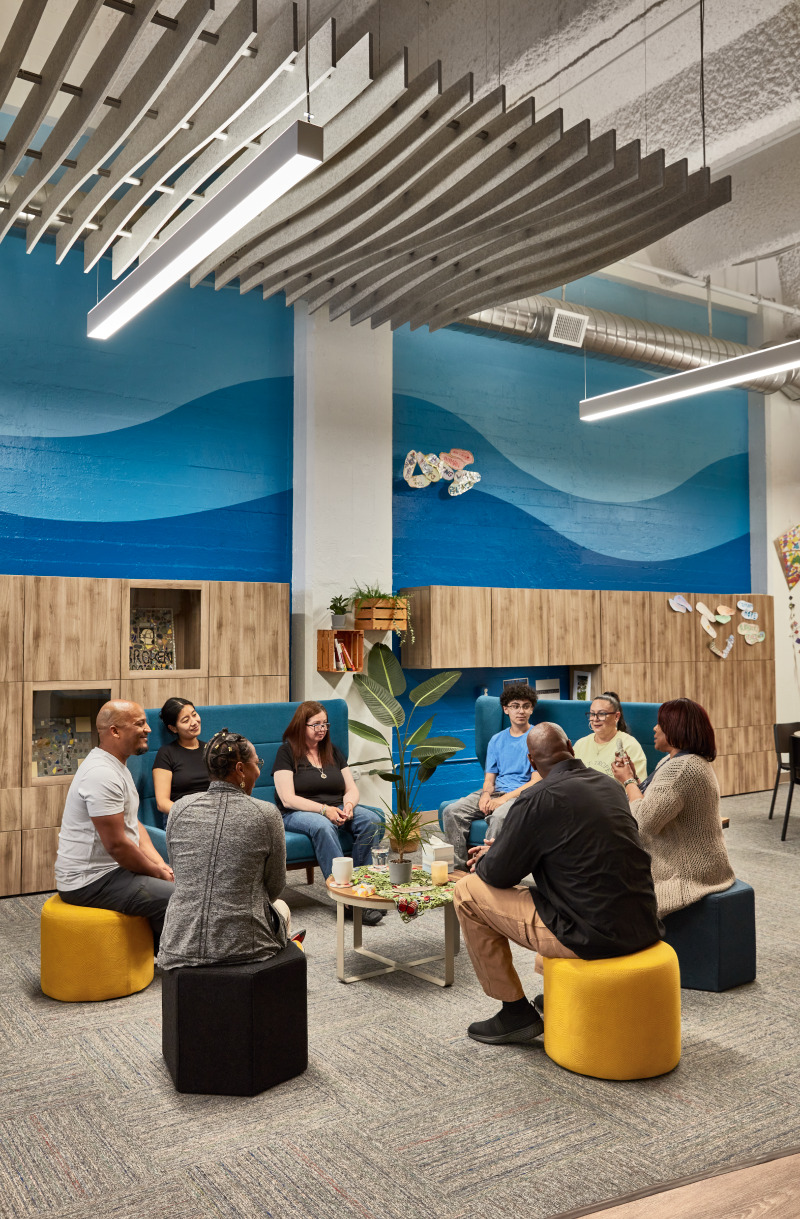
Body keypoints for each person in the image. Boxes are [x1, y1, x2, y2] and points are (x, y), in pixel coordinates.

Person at [454, 723, 661, 1046]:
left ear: (531, 762)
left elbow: (497, 876)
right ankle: (552, 995)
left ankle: (514, 1013)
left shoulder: (536, 799)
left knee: (466, 891)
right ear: (570, 746)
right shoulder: (608, 785)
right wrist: (509, 845)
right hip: (643, 921)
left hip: (590, 935)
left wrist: (495, 853)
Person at [157, 729, 293, 970]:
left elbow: (181, 873)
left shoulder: (179, 809)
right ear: (241, 769)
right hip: (245, 946)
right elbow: (275, 886)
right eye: (257, 763)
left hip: (179, 942)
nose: (259, 770)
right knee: (281, 907)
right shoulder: (266, 814)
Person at [55, 701, 174, 952]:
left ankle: (150, 954)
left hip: (113, 871)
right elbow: (117, 845)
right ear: (115, 731)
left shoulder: (118, 765)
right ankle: (181, 967)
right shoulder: (101, 774)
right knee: (177, 897)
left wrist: (158, 863)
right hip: (89, 882)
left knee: (179, 882)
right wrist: (155, 872)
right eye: (140, 723)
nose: (148, 729)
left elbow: (134, 823)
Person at [612, 697, 735, 917]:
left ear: (676, 729)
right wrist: (635, 778)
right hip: (701, 865)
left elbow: (642, 824)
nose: (655, 728)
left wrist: (628, 781)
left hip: (687, 875)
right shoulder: (674, 762)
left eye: (660, 723)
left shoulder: (680, 770)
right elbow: (655, 803)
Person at [272, 701, 386, 925]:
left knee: (372, 821)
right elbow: (288, 798)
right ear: (301, 725)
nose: (322, 729)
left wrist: (350, 804)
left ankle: (362, 888)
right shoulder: (286, 752)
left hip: (337, 806)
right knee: (322, 825)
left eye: (325, 724)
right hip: (297, 812)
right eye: (316, 724)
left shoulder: (333, 751)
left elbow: (351, 788)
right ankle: (347, 899)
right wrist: (325, 810)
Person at [442, 683, 540, 870]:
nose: (521, 711)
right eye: (515, 706)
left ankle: (488, 871)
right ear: (505, 709)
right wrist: (486, 795)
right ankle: (459, 871)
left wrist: (503, 800)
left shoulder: (537, 738)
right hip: (497, 792)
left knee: (498, 818)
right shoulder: (496, 740)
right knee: (452, 811)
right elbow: (489, 779)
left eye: (526, 706)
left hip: (522, 795)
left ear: (531, 709)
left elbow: (536, 782)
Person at [152, 697, 209, 821]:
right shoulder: (166, 753)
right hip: (182, 817)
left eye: (194, 715)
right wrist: (195, 815)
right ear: (173, 728)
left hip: (213, 814)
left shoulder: (211, 750)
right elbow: (162, 803)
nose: (194, 722)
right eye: (185, 720)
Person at [572, 691, 647, 782]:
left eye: (602, 714)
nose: (595, 719)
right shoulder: (580, 744)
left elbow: (639, 787)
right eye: (592, 714)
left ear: (616, 716)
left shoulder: (630, 745)